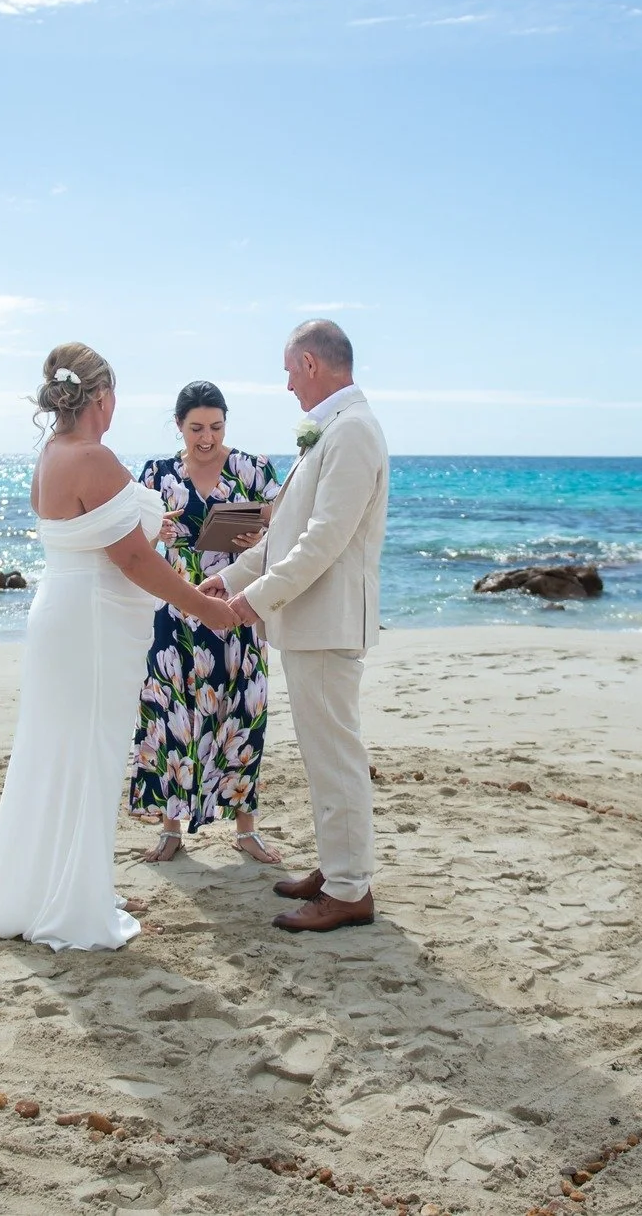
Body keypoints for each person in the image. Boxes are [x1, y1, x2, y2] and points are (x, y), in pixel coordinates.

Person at [0, 344, 239, 952]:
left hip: (63, 616)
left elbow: (99, 532)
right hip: (90, 624)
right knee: (86, 759)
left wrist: (152, 526)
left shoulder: (53, 454)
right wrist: (209, 610)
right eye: (114, 395)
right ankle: (70, 903)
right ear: (101, 397)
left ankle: (40, 889)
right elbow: (134, 559)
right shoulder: (93, 456)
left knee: (54, 754)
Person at [203, 320, 389, 933]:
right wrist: (229, 580)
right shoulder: (331, 432)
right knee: (321, 753)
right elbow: (285, 533)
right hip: (311, 623)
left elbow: (324, 542)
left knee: (336, 755)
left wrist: (253, 601)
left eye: (288, 371)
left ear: (311, 364)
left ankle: (349, 889)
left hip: (330, 624)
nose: (286, 385)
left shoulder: (354, 432)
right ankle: (338, 869)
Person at [131, 381, 286, 865]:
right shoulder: (156, 474)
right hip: (175, 609)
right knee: (170, 714)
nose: (207, 438)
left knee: (242, 710)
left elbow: (285, 530)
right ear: (179, 426)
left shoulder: (252, 468)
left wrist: (255, 541)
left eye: (216, 427)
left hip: (237, 607)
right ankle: (171, 828)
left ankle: (245, 831)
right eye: (196, 428)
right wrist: (153, 531)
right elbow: (136, 547)